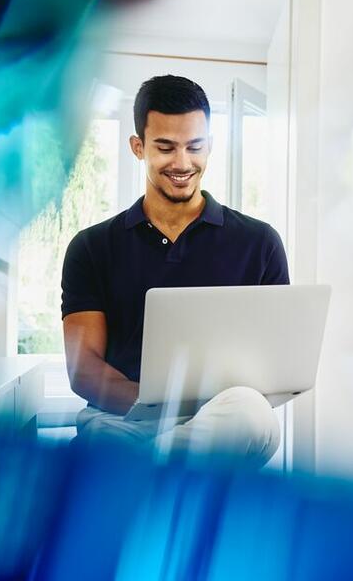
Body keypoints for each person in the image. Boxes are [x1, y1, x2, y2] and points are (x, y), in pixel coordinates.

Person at [61, 75, 287, 465]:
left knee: (249, 412)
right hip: (125, 420)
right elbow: (84, 370)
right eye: (165, 148)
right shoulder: (91, 246)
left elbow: (276, 363)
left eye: (195, 147)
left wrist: (201, 410)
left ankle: (140, 473)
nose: (182, 163)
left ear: (210, 146)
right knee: (103, 438)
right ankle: (158, 470)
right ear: (138, 147)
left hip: (225, 420)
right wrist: (159, 407)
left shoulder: (260, 242)